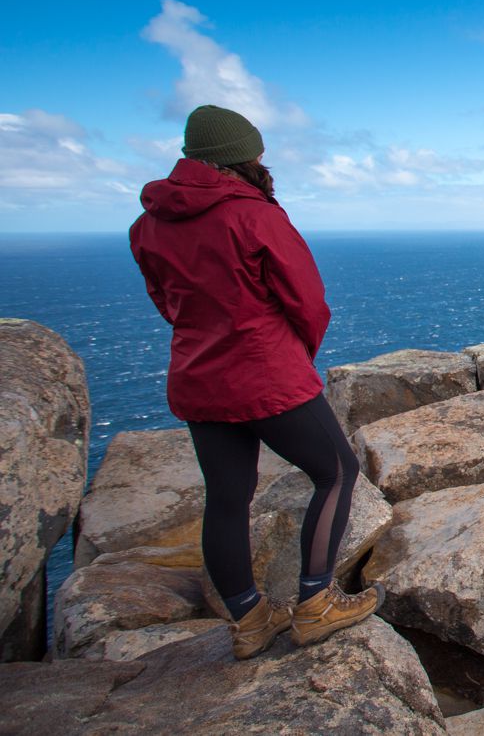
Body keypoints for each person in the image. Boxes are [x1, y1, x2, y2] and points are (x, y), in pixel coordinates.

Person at [129, 104, 381, 660]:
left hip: (199, 377)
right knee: (338, 471)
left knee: (226, 497)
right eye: (258, 154)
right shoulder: (255, 214)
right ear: (241, 158)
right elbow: (308, 302)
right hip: (266, 373)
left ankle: (248, 619)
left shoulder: (147, 224)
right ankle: (315, 604)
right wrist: (296, 355)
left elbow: (166, 301)